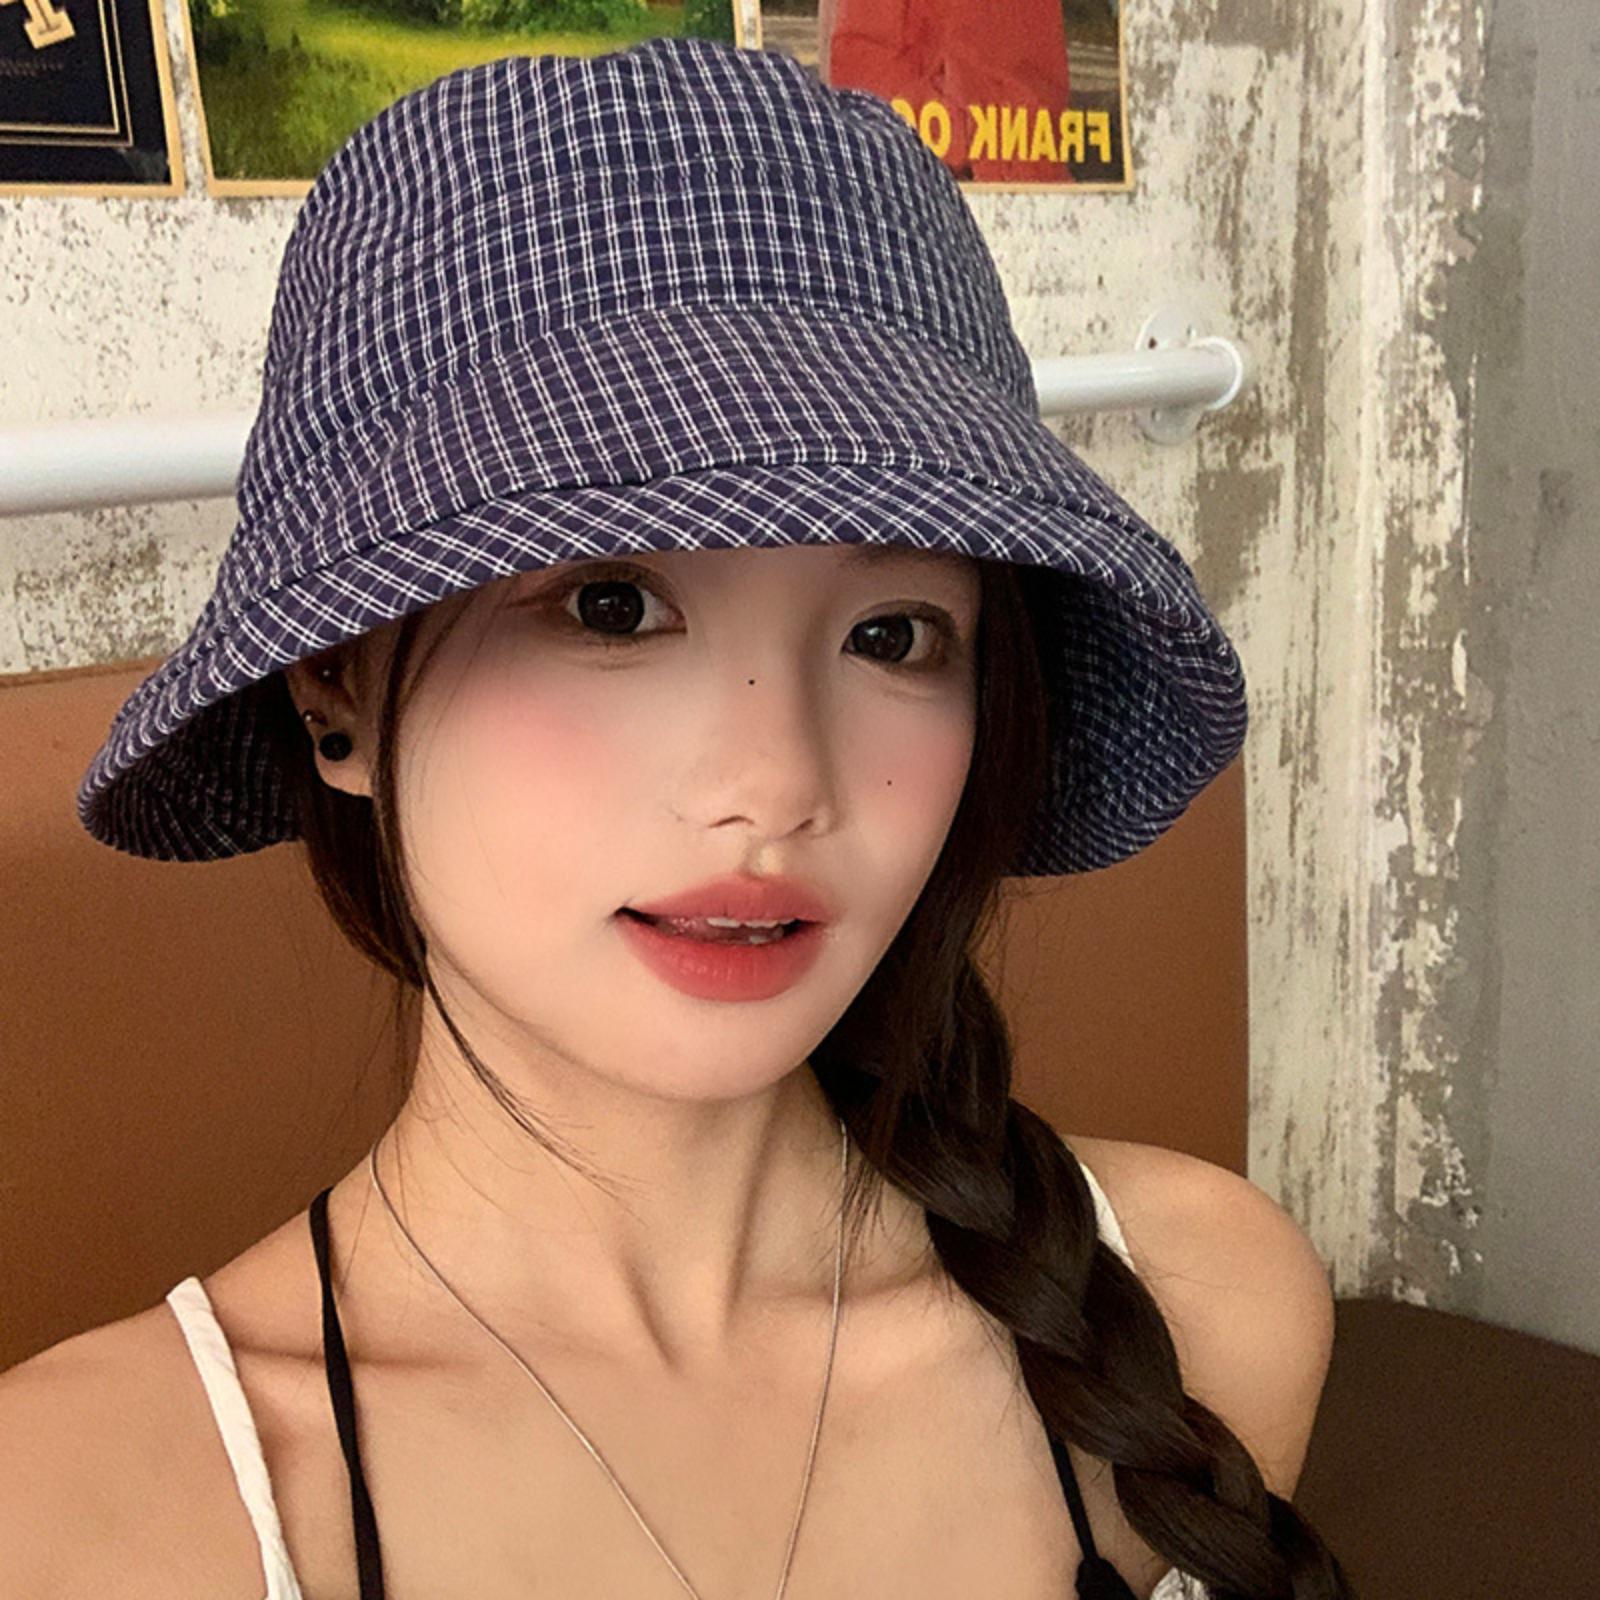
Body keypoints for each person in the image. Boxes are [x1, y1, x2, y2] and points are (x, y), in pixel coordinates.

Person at [2, 35, 1350, 1600]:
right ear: (336, 691)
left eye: (894, 632)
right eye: (612, 605)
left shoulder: (1211, 1308)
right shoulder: (82, 1516)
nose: (775, 787)